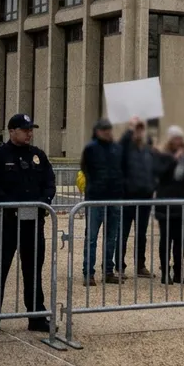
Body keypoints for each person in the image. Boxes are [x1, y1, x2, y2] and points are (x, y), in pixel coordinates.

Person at [0, 114, 55, 338]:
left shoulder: (38, 156)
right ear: (12, 131)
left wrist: (45, 202)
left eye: (31, 129)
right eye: (25, 129)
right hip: (6, 224)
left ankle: (36, 316)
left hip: (32, 224)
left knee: (33, 271)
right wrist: (13, 206)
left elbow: (49, 182)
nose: (29, 133)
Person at [152, 125, 184, 285]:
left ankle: (178, 272)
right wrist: (174, 159)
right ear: (170, 140)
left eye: (181, 138)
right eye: (176, 139)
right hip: (166, 202)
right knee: (166, 239)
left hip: (183, 203)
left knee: (180, 241)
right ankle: (165, 272)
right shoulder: (161, 155)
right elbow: (160, 173)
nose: (179, 141)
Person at [80, 118, 126, 286]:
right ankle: (88, 272)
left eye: (109, 129)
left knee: (111, 237)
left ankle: (108, 271)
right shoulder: (91, 149)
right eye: (104, 129)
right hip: (95, 199)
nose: (107, 132)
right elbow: (86, 169)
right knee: (92, 237)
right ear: (98, 131)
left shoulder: (116, 148)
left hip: (113, 198)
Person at [119, 117, 156, 279]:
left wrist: (152, 185)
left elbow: (152, 168)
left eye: (141, 129)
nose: (139, 132)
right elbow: (121, 148)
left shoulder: (147, 149)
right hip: (128, 196)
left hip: (145, 197)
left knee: (141, 234)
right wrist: (130, 130)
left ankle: (140, 265)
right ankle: (119, 265)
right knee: (123, 233)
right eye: (137, 129)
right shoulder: (126, 146)